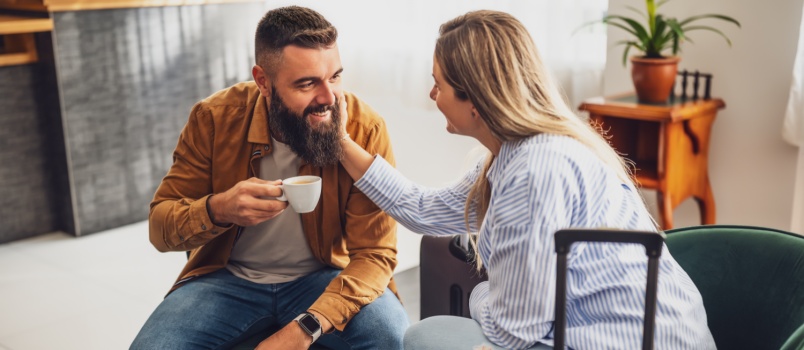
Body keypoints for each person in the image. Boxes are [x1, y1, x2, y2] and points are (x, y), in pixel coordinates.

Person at [336, 10, 716, 350]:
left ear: (476, 101)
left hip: (629, 339)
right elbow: (422, 209)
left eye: (439, 84)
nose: (431, 94)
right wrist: (340, 143)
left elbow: (511, 333)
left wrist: (481, 294)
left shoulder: (534, 174)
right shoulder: (515, 154)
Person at [131, 6, 408, 350]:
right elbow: (160, 228)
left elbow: (375, 254)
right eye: (307, 83)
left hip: (325, 277)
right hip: (228, 281)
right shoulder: (214, 119)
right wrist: (219, 209)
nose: (329, 98)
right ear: (263, 81)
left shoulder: (364, 128)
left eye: (335, 77)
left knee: (387, 336)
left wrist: (305, 327)